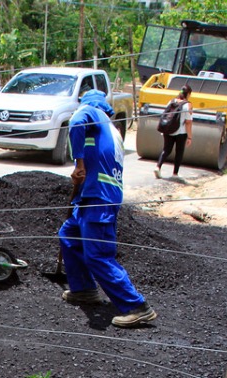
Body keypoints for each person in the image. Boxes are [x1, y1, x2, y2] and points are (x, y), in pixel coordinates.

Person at [58, 90, 157, 328]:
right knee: (68, 236)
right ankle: (84, 289)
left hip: (99, 199)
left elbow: (76, 121)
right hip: (90, 196)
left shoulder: (92, 112)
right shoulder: (110, 129)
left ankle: (136, 306)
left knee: (98, 254)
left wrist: (78, 163)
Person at [154, 85, 193, 182]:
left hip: (168, 129)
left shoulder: (171, 101)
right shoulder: (187, 105)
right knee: (179, 152)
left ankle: (158, 167)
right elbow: (188, 122)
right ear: (188, 94)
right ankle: (175, 174)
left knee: (166, 149)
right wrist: (189, 137)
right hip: (181, 132)